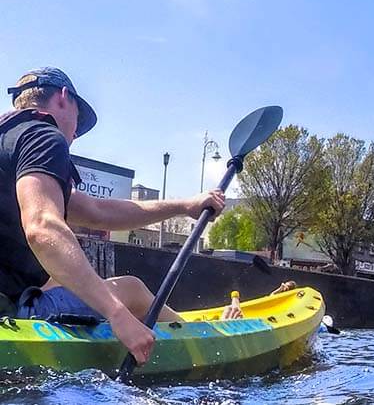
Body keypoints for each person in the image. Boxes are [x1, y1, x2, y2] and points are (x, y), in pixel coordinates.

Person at [0, 67, 227, 366]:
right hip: (12, 318)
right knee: (131, 289)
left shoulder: (9, 142)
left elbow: (98, 211)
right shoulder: (44, 135)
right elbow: (42, 227)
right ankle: (208, 348)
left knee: (57, 277)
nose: (75, 136)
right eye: (78, 124)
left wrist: (185, 205)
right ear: (64, 97)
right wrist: (117, 313)